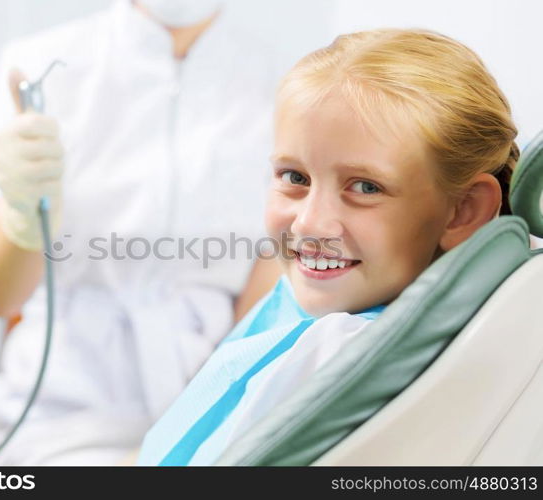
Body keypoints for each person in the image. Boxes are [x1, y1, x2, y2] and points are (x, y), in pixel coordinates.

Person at [137, 28, 519, 466]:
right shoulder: (325, 300)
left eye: (364, 186)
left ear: (463, 211)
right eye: (294, 177)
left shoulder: (337, 351)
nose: (310, 223)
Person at [0, 0, 282, 465]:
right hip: (61, 415)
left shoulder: (279, 85)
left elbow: (270, 285)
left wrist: (212, 417)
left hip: (209, 406)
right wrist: (23, 216)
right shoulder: (41, 65)